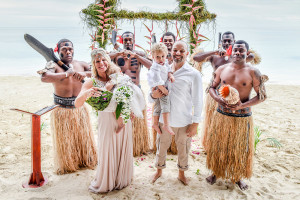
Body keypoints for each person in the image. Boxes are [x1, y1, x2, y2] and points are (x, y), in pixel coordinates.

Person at [205, 40, 268, 190]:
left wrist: (242, 105)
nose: (238, 53)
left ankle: (237, 177)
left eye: (241, 50)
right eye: (235, 50)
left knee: (240, 149)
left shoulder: (253, 72)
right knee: (219, 145)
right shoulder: (222, 69)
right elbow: (211, 87)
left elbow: (262, 96)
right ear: (231, 52)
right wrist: (217, 99)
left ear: (247, 53)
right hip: (222, 115)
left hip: (242, 117)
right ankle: (216, 172)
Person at [74, 48, 134, 193]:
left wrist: (128, 111)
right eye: (97, 61)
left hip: (123, 119)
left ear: (108, 61)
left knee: (122, 148)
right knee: (108, 149)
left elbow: (126, 95)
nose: (101, 63)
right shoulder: (91, 82)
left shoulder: (117, 76)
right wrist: (88, 93)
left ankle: (121, 179)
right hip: (107, 121)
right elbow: (77, 103)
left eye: (103, 60)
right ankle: (107, 181)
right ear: (94, 65)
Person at [37, 39, 97, 174]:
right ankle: (68, 164)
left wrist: (84, 74)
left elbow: (98, 71)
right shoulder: (53, 65)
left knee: (83, 140)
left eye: (70, 49)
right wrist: (65, 74)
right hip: (62, 110)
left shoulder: (81, 64)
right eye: (64, 49)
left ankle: (84, 160)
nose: (68, 52)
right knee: (66, 143)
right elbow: (45, 77)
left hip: (79, 109)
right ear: (58, 51)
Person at [151, 41, 203, 185]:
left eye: (181, 51)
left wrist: (195, 123)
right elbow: (153, 92)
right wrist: (153, 95)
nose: (178, 53)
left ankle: (181, 174)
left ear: (187, 53)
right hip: (163, 119)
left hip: (184, 120)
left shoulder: (194, 74)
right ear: (170, 51)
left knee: (183, 149)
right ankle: (159, 171)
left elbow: (198, 100)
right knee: (161, 146)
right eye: (175, 50)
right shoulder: (163, 69)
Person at [192, 31, 254, 151]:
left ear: (233, 42)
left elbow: (252, 58)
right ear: (221, 42)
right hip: (215, 92)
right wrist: (214, 51)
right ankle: (210, 145)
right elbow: (196, 58)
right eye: (224, 41)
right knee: (212, 121)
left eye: (229, 41)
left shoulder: (238, 56)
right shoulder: (215, 56)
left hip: (233, 95)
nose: (226, 43)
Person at [109, 31, 152, 156]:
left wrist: (137, 57)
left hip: (136, 89)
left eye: (130, 39)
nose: (128, 42)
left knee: (135, 121)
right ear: (122, 41)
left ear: (134, 40)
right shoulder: (117, 55)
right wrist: (118, 52)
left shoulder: (140, 54)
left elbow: (152, 66)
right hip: (120, 91)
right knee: (121, 121)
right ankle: (120, 147)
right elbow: (103, 59)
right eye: (125, 40)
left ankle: (136, 148)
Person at [147, 43, 175, 136]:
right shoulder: (155, 67)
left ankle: (155, 123)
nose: (161, 59)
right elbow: (157, 80)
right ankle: (166, 125)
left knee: (158, 106)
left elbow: (168, 70)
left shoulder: (165, 63)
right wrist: (164, 90)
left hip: (159, 86)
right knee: (165, 102)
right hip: (158, 86)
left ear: (166, 55)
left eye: (163, 56)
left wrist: (170, 75)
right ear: (153, 57)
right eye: (157, 57)